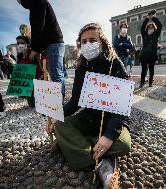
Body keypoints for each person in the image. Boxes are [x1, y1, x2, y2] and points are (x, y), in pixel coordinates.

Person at [46, 23, 131, 188]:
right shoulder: (81, 67)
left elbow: (121, 108)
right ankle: (101, 159)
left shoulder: (115, 64)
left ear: (102, 42)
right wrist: (55, 115)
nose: (87, 44)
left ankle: (77, 148)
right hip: (87, 118)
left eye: (92, 40)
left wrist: (108, 136)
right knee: (60, 125)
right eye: (83, 41)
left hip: (109, 121)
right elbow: (74, 102)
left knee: (124, 144)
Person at [17, 0, 65, 97]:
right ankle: (56, 99)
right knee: (53, 73)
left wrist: (35, 49)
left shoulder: (37, 2)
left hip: (53, 43)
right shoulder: (36, 4)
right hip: (49, 43)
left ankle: (59, 102)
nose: (20, 3)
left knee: (56, 74)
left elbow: (38, 27)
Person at [16, 35, 43, 107]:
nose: (19, 45)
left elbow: (41, 71)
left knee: (35, 104)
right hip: (26, 83)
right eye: (18, 43)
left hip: (35, 82)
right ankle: (25, 95)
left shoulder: (33, 55)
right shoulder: (19, 57)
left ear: (28, 45)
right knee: (31, 105)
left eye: (21, 43)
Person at [139, 14, 162, 87]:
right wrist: (147, 19)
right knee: (144, 70)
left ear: (154, 29)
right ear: (147, 28)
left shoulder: (156, 34)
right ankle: (142, 82)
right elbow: (142, 28)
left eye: (152, 28)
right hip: (144, 55)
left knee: (151, 69)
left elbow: (160, 25)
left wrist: (153, 18)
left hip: (152, 55)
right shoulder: (144, 34)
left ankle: (150, 82)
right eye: (149, 27)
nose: (150, 29)